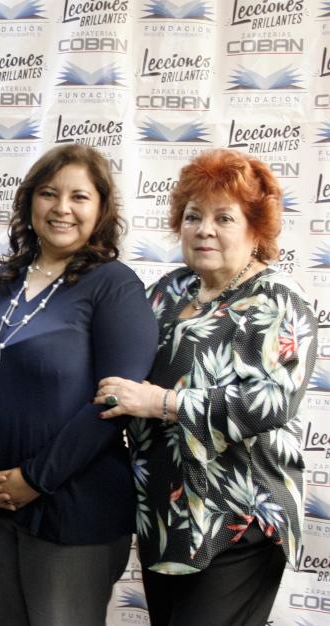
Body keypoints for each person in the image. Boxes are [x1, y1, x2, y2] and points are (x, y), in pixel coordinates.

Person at [95, 149, 316, 625]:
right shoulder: (166, 292)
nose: (204, 229)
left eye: (223, 217)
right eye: (193, 216)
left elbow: (273, 400)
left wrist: (163, 402)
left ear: (256, 229)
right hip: (165, 516)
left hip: (241, 515)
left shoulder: (278, 297)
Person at [0, 143, 158, 625]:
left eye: (79, 197)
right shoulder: (1, 281)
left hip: (74, 505)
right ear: (29, 202)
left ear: (102, 209)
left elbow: (115, 401)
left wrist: (35, 479)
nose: (62, 208)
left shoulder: (115, 287)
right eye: (49, 193)